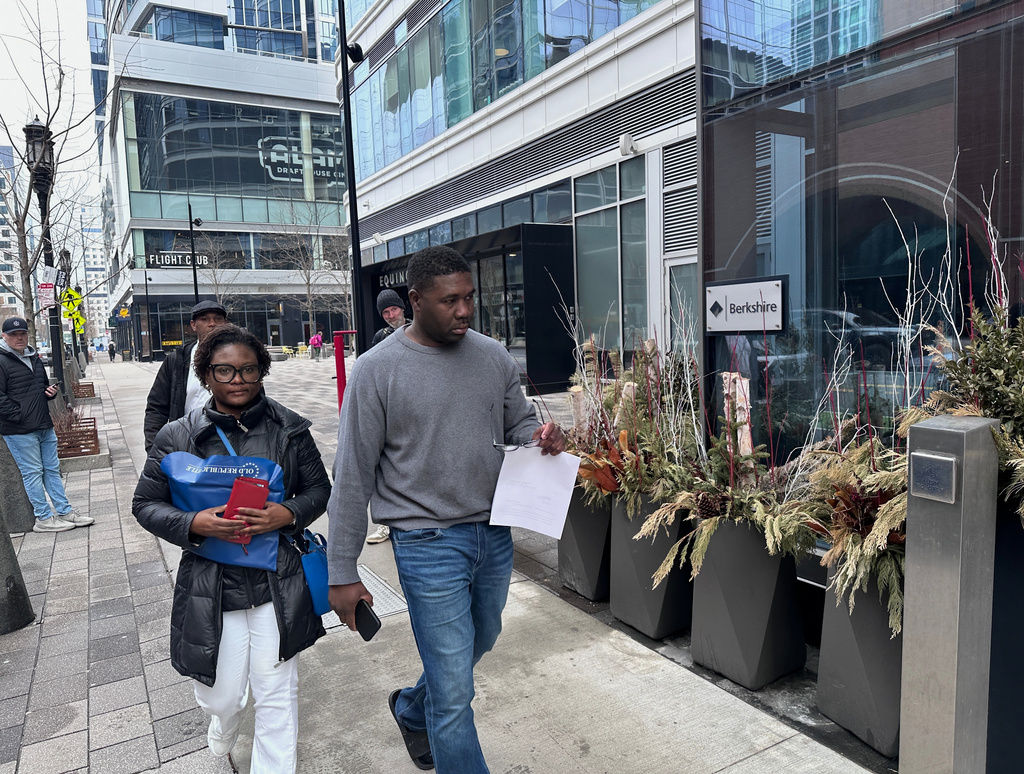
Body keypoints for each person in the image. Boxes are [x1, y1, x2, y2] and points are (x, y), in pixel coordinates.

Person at [327, 246, 565, 773]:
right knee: (456, 692)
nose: (464, 310)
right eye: (449, 300)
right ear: (414, 300)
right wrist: (341, 570)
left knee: (482, 638)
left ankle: (412, 708)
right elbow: (351, 477)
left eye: (469, 297)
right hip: (425, 544)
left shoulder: (493, 356)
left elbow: (519, 426)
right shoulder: (376, 371)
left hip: (492, 533)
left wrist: (543, 436)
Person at [133, 324, 330, 772]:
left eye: (248, 369)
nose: (237, 379)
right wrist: (193, 523)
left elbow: (319, 488)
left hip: (277, 579)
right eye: (224, 370)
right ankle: (224, 720)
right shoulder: (176, 436)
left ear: (262, 371)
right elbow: (145, 505)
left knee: (277, 692)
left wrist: (289, 514)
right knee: (219, 694)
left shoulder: (290, 430)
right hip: (211, 584)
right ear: (205, 376)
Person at [0, 316, 94, 533]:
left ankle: (64, 511)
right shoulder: (2, 360)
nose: (19, 338)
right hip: (20, 429)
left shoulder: (33, 357)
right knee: (32, 472)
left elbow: (39, 387)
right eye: (14, 335)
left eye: (22, 333)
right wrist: (21, 415)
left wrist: (49, 394)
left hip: (43, 423)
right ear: (4, 336)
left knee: (52, 469)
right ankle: (43, 517)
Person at [143, 300, 228, 451]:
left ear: (225, 323)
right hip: (187, 444)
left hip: (229, 443)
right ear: (193, 325)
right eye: (205, 319)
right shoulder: (177, 360)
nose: (212, 324)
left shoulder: (241, 359)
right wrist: (154, 449)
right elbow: (156, 408)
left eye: (218, 319)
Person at [364, 289, 411, 545]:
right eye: (386, 312)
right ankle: (385, 524)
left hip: (415, 406)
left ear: (403, 308)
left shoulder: (420, 329)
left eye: (394, 309)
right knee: (384, 466)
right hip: (389, 407)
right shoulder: (380, 337)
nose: (391, 315)